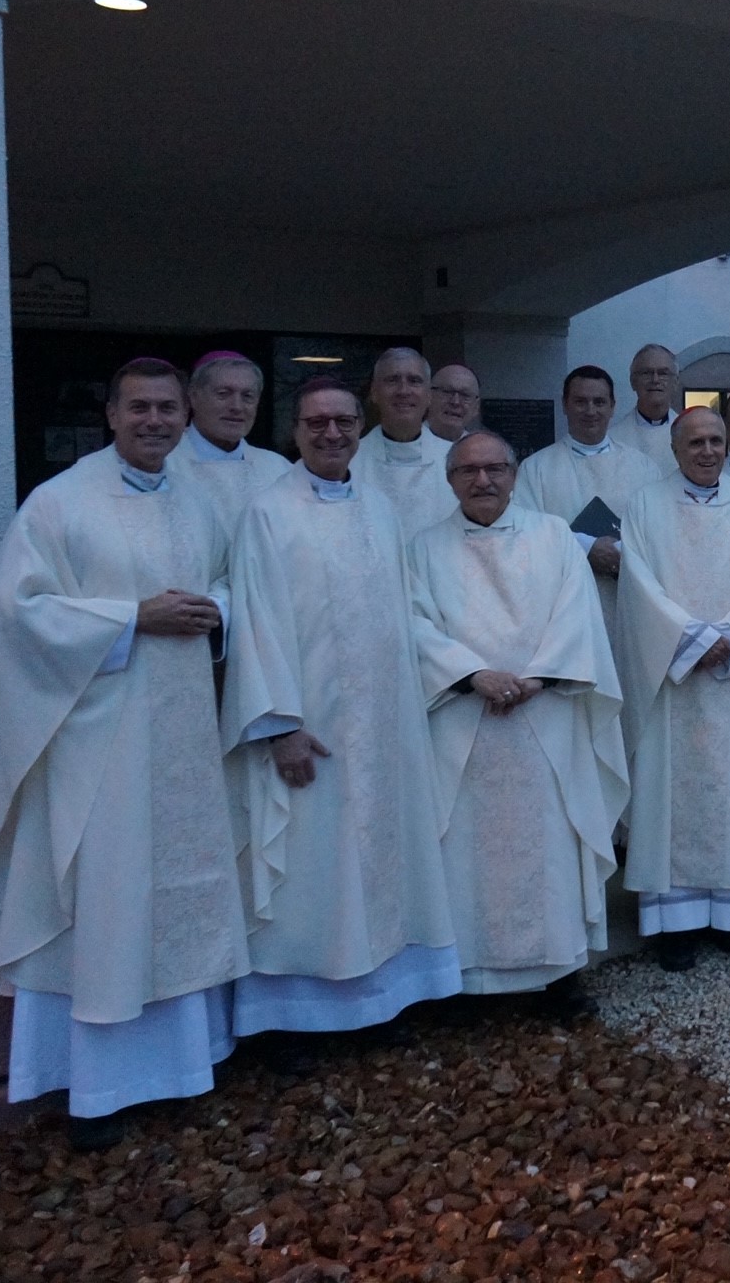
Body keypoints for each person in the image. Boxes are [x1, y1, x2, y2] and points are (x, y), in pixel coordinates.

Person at [0, 357, 244, 1150]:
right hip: (101, 744)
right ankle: (97, 1087)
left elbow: (231, 582)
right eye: (139, 408)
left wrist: (214, 607)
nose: (155, 421)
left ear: (185, 418)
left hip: (184, 735)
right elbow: (18, 615)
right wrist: (130, 618)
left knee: (177, 889)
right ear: (111, 416)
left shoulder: (199, 500)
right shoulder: (58, 504)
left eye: (167, 409)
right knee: (110, 900)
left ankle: (181, 1071)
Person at [221, 378, 460, 1045]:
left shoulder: (379, 510)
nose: (331, 434)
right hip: (311, 730)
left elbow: (405, 613)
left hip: (385, 729)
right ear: (294, 433)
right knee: (310, 871)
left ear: (361, 427)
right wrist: (282, 726)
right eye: (316, 423)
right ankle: (294, 1019)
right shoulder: (268, 513)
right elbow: (257, 626)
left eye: (343, 422)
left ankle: (379, 1001)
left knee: (383, 862)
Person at [407, 432, 628, 1018]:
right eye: (469, 471)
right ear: (449, 479)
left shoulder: (553, 534)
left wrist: (537, 679)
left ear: (514, 473)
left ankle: (559, 975)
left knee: (551, 841)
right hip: (464, 720)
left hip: (544, 716)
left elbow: (577, 612)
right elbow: (415, 625)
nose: (483, 481)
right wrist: (473, 674)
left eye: (496, 469)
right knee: (465, 849)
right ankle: (467, 979)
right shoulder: (424, 548)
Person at [614, 409, 730, 969]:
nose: (708, 451)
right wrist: (689, 639)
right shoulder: (644, 504)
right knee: (672, 795)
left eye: (716, 439)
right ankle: (677, 924)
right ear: (675, 447)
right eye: (695, 442)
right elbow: (636, 584)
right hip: (672, 683)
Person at [515, 366, 663, 646]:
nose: (590, 410)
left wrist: (622, 554)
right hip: (565, 609)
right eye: (580, 402)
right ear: (565, 405)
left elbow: (659, 532)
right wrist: (586, 549)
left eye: (599, 402)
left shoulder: (643, 467)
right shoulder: (536, 469)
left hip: (628, 603)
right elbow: (525, 535)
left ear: (613, 406)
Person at [171, 351, 292, 527]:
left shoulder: (278, 469)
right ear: (193, 397)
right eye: (223, 394)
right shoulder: (166, 463)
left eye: (247, 396)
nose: (237, 406)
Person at [352, 347, 458, 538]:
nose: (403, 390)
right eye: (392, 380)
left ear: (429, 396)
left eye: (414, 381)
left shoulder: (457, 462)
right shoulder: (350, 462)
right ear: (374, 392)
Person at [617, 343, 680, 467]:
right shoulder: (615, 438)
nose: (655, 380)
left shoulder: (688, 433)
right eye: (646, 373)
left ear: (675, 382)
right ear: (633, 382)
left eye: (663, 373)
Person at [427, 363, 483, 445]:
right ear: (428, 396)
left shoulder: (482, 450)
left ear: (476, 407)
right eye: (447, 392)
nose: (455, 402)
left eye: (465, 395)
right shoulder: (407, 441)